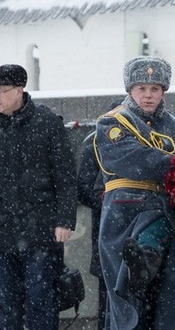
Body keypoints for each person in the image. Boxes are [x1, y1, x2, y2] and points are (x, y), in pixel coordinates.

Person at [0, 64, 77, 330]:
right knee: (6, 303)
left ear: (19, 90)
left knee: (42, 300)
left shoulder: (48, 123)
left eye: (0, 91)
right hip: (1, 229)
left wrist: (65, 220)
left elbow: (65, 176)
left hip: (41, 229)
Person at [94, 56, 175, 329]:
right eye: (141, 88)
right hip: (123, 214)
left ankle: (146, 257)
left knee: (163, 300)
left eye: (155, 89)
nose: (148, 95)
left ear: (163, 91)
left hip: (163, 209)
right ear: (129, 90)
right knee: (125, 297)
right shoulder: (112, 122)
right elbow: (132, 160)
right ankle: (143, 259)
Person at [76, 136, 106, 330]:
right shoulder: (95, 148)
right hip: (106, 232)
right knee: (107, 297)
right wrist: (110, 201)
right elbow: (84, 190)